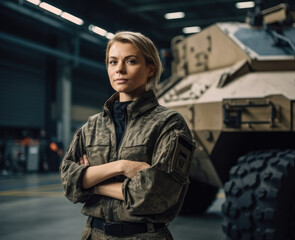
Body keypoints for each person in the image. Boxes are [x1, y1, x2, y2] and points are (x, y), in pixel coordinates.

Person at [60, 31, 195, 240]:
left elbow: (155, 195)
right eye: (113, 62)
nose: (119, 69)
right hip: (93, 235)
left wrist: (92, 185)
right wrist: (122, 166)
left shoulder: (169, 124)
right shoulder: (92, 126)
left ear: (150, 69)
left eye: (131, 61)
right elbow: (70, 184)